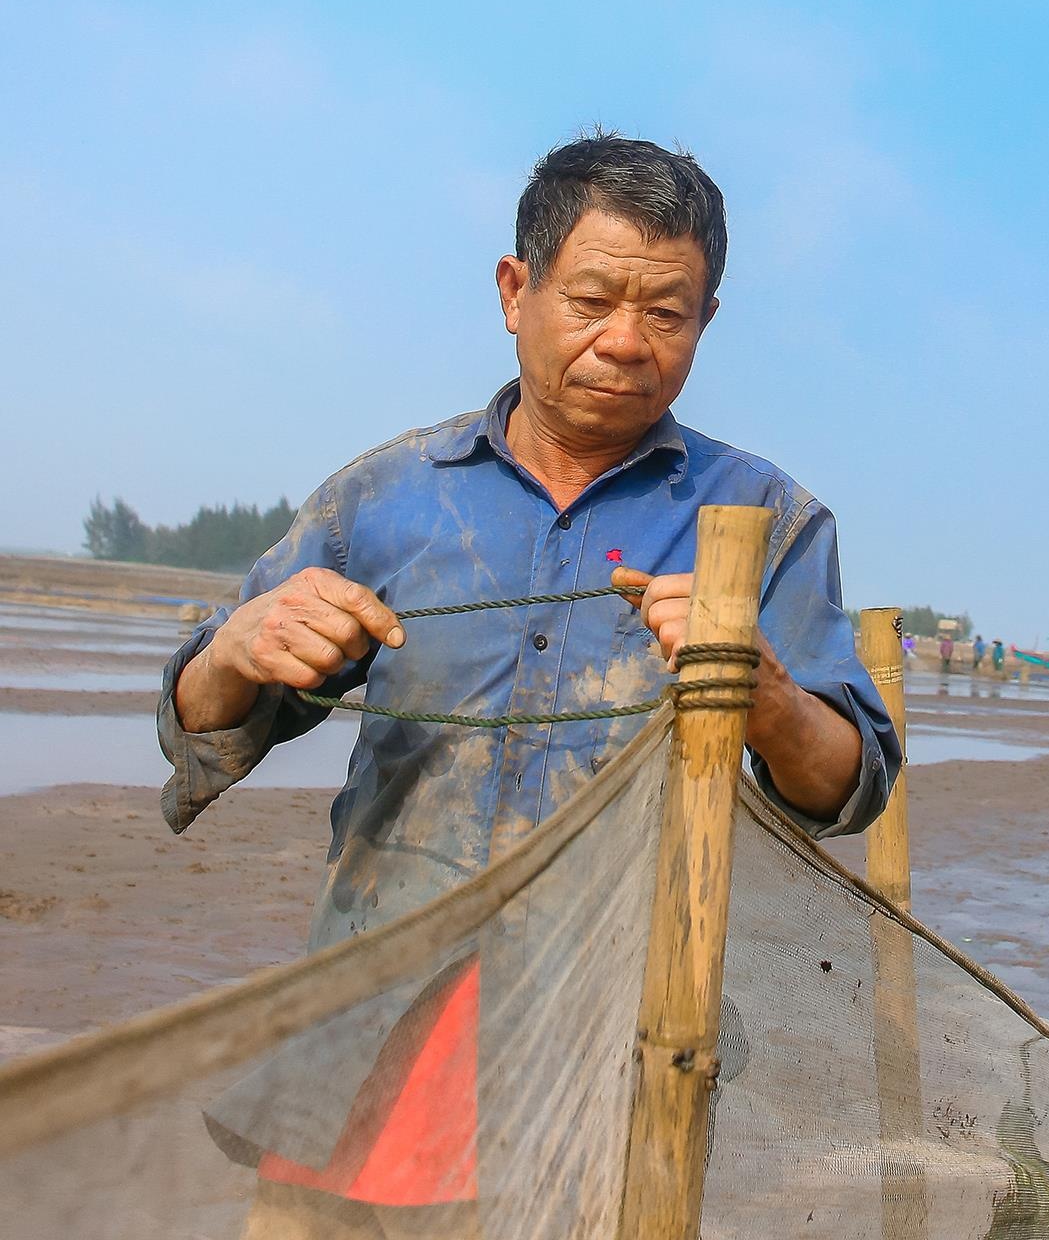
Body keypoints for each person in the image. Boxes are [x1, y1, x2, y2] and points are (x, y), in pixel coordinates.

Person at [159, 134, 901, 1235]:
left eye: (669, 312)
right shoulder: (386, 496)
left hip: (615, 1069)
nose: (626, 342)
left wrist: (764, 692)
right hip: (358, 1053)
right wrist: (233, 654)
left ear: (706, 321)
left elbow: (850, 780)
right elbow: (202, 733)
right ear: (517, 290)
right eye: (594, 297)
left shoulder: (767, 522)